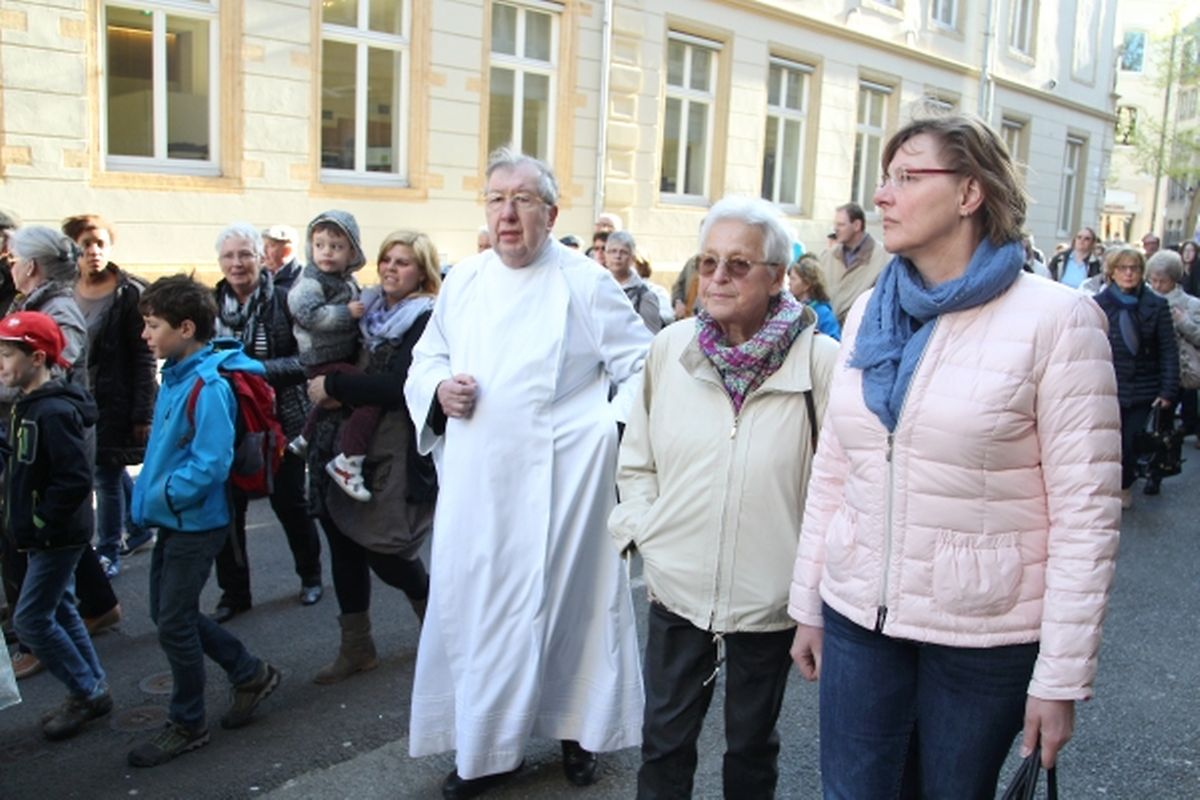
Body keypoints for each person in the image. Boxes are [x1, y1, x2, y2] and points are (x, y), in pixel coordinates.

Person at [789, 114, 1121, 799]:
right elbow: (837, 467)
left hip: (982, 631)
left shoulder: (1056, 320)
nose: (883, 196)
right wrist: (809, 603)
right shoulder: (869, 311)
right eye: (886, 178)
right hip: (859, 615)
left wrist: (1059, 676)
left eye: (908, 178)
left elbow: (1086, 513)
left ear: (970, 194)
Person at [404, 147, 650, 798]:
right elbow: (427, 356)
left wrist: (606, 433)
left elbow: (642, 369)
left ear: (551, 212)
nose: (507, 214)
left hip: (564, 488)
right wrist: (438, 391)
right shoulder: (465, 280)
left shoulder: (585, 280)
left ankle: (577, 732)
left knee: (571, 612)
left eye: (523, 200)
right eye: (496, 199)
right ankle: (487, 752)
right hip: (480, 486)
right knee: (484, 614)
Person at [610, 195, 837, 799]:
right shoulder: (672, 348)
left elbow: (843, 489)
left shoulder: (823, 365)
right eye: (707, 262)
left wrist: (812, 588)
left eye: (738, 265)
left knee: (752, 754)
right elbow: (637, 460)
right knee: (663, 746)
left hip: (769, 598)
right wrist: (647, 533)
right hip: (678, 589)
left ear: (778, 276)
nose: (717, 277)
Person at [128, 275, 281, 767]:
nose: (145, 335)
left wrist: (168, 494)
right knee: (170, 615)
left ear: (186, 327)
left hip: (195, 521)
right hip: (175, 519)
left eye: (153, 326)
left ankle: (188, 722)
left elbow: (210, 462)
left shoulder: (208, 385)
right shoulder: (175, 374)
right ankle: (249, 671)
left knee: (173, 620)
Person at [305, 230, 440, 684]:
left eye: (402, 262)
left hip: (393, 449)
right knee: (341, 542)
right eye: (386, 259)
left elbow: (402, 387)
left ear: (422, 271)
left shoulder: (427, 318)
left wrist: (336, 388)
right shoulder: (370, 309)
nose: (390, 268)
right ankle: (357, 647)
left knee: (387, 550)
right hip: (346, 442)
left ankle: (438, 625)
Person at [1, 227, 121, 682]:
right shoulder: (29, 302)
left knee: (40, 539)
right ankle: (95, 623)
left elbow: (52, 369)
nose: (9, 265)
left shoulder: (58, 309)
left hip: (54, 440)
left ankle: (37, 638)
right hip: (34, 435)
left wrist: (38, 523)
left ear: (31, 266)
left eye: (13, 259)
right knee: (58, 548)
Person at [1, 311, 108, 740]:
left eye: (7, 354)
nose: (2, 364)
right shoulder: (27, 406)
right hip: (43, 532)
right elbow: (25, 462)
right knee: (61, 608)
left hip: (56, 534)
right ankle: (94, 685)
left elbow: (74, 478)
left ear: (38, 357)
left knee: (30, 621)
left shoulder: (52, 412)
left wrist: (41, 519)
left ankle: (85, 690)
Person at [210, 223, 323, 623]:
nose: (237, 263)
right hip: (225, 425)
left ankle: (310, 575)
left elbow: (307, 361)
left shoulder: (283, 301)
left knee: (290, 504)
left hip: (280, 421)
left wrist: (258, 369)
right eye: (229, 256)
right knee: (228, 512)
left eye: (245, 254)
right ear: (220, 262)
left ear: (262, 258)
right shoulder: (209, 306)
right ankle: (234, 593)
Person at [65, 214, 156, 577]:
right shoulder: (66, 288)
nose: (94, 251)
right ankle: (138, 528)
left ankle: (107, 549)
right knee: (110, 467)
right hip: (78, 396)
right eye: (86, 244)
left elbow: (144, 357)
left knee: (104, 472)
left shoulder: (128, 292)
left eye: (101, 243)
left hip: (116, 400)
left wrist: (142, 413)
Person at [286, 211, 375, 501]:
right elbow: (306, 313)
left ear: (352, 252)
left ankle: (304, 437)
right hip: (321, 355)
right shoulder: (310, 280)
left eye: (336, 247)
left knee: (327, 400)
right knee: (367, 396)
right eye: (320, 245)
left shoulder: (345, 280)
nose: (327, 252)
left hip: (339, 353)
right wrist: (344, 314)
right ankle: (349, 462)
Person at [1094, 247, 1178, 505]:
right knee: (1106, 442)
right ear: (1112, 272)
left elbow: (1167, 350)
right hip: (1108, 385)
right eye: (1122, 268)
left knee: (1130, 441)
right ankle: (1104, 487)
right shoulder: (1099, 304)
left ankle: (1125, 484)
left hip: (1143, 387)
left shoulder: (1156, 304)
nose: (1128, 273)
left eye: (1134, 268)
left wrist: (1168, 390)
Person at [1146, 249, 1200, 446]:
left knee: (1165, 417)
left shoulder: (1191, 304)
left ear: (1174, 279)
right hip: (1148, 369)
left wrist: (1184, 322)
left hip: (1177, 370)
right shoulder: (1144, 298)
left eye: (1163, 281)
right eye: (1153, 280)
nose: (1157, 286)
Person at [817, 201, 889, 325]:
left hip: (860, 334)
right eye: (835, 224)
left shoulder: (884, 258)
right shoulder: (827, 257)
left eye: (841, 225)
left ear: (857, 225)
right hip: (828, 332)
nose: (835, 229)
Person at [605, 231, 663, 334]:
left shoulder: (645, 295)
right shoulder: (599, 287)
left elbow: (651, 335)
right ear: (606, 255)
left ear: (632, 258)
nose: (617, 256)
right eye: (613, 251)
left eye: (623, 252)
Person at [787, 256, 841, 340]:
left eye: (793, 279)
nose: (789, 283)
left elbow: (834, 342)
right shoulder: (790, 310)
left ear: (807, 285)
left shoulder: (823, 313)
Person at [262, 225, 302, 292]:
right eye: (263, 245)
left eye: (271, 246)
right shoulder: (259, 274)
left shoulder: (303, 277)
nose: (264, 251)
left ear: (287, 251)